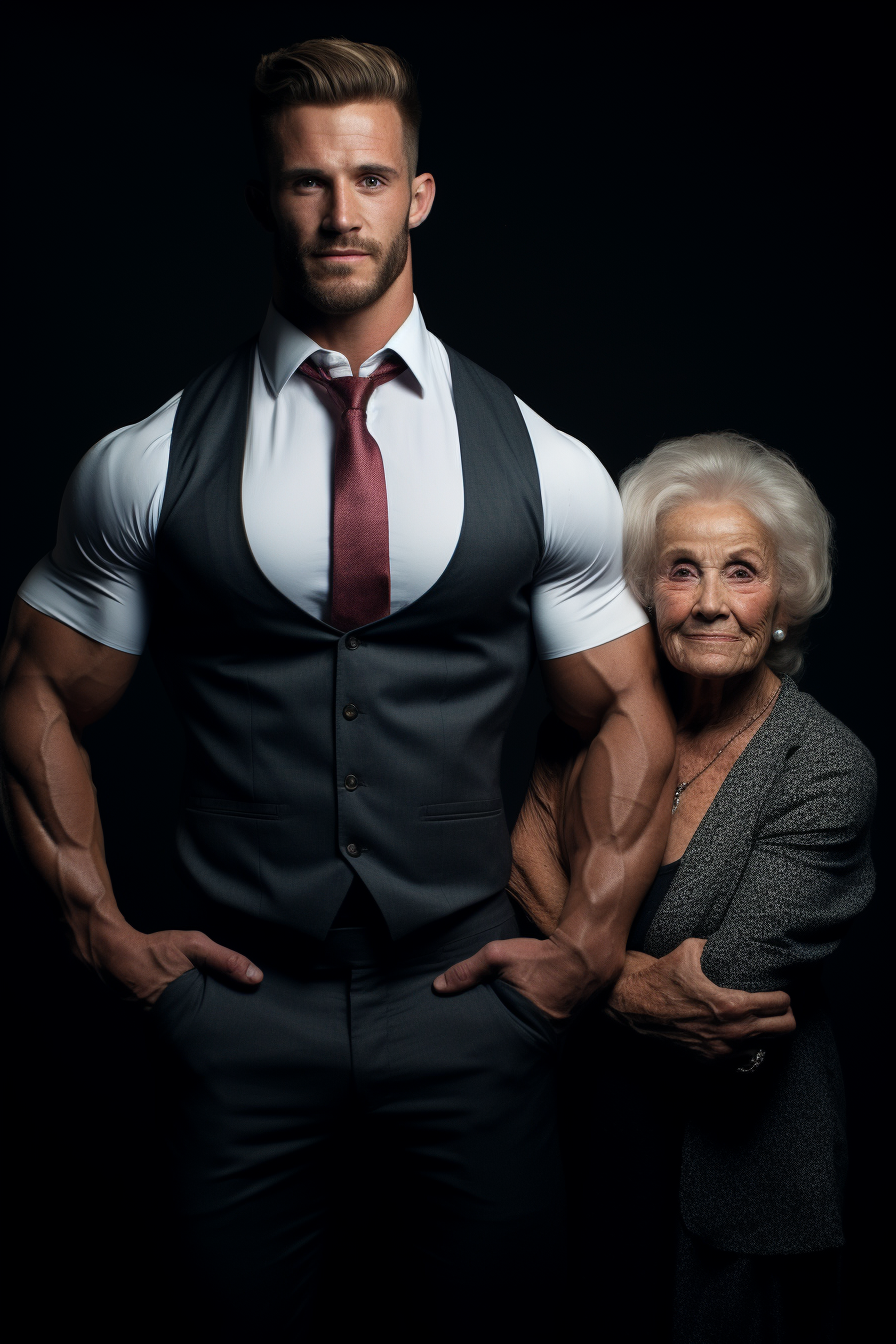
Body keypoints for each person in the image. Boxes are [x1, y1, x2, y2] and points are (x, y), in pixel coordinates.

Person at [0, 36, 688, 1338]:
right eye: (309, 182)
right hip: (239, 1018)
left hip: (471, 1012)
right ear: (265, 198)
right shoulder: (146, 462)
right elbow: (36, 686)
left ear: (419, 194)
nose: (342, 212)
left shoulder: (545, 462)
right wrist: (100, 932)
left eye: (372, 178)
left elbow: (628, 709)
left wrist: (590, 948)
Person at [509, 432, 877, 1344]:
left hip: (732, 1166)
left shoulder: (826, 767)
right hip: (574, 1129)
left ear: (783, 597)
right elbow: (520, 854)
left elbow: (721, 993)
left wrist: (570, 961)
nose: (711, 602)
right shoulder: (597, 720)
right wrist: (633, 983)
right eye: (682, 571)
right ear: (645, 590)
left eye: (742, 572)